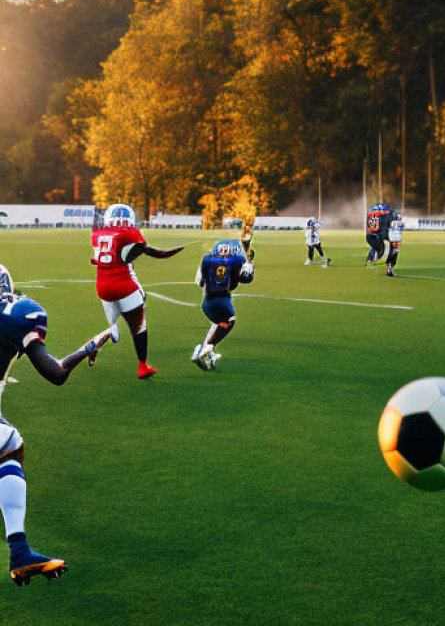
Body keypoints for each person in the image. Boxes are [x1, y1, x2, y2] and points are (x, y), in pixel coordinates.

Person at [0, 263, 117, 585]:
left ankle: (20, 549)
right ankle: (19, 550)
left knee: (7, 441)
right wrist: (87, 349)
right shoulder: (16, 315)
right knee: (10, 448)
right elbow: (56, 374)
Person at [90, 203, 184, 379]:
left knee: (113, 326)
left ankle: (95, 343)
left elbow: (95, 246)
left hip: (102, 288)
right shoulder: (129, 232)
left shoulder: (98, 234)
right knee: (139, 326)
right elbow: (152, 252)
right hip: (123, 285)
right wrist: (173, 251)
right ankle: (143, 366)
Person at [191, 240, 255, 371]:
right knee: (229, 322)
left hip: (207, 301)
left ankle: (205, 352)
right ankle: (207, 348)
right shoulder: (237, 261)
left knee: (217, 324)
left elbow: (199, 282)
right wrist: (249, 267)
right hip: (220, 301)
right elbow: (247, 279)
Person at [385, 210, 404, 277]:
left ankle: (389, 266)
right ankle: (390, 268)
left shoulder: (391, 222)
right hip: (398, 239)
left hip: (392, 238)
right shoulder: (401, 223)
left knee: (391, 251)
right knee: (395, 253)